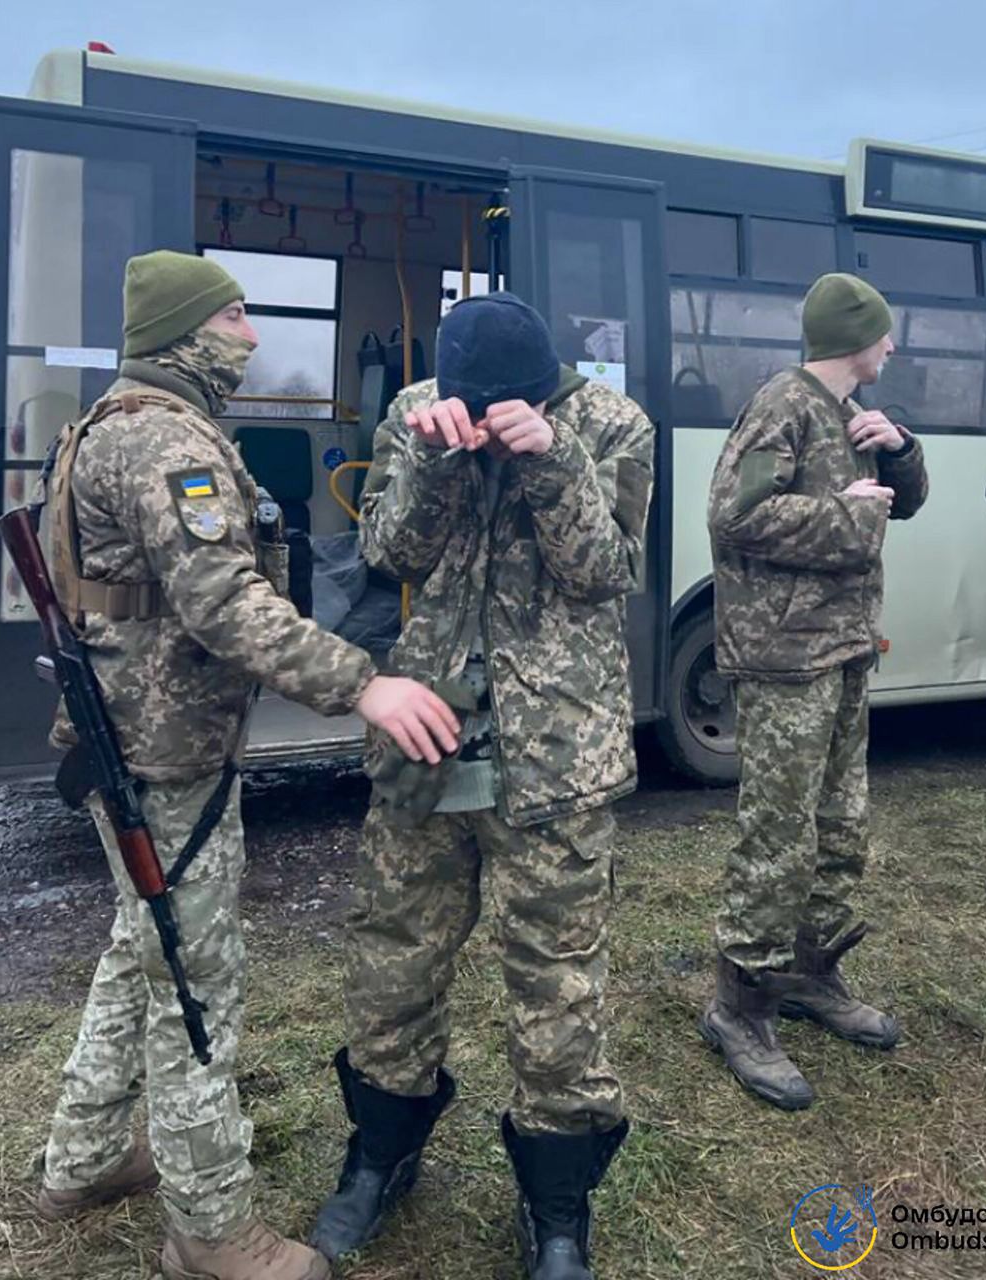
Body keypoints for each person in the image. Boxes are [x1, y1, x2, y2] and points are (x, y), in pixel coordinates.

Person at [35, 250, 460, 1280]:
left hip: (133, 738)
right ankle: (212, 1229)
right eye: (233, 316)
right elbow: (226, 601)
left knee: (144, 945)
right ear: (185, 331)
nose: (252, 335)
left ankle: (85, 1155)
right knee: (194, 983)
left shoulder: (109, 424)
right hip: (164, 748)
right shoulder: (163, 443)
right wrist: (365, 684)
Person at [310, 292, 654, 1280]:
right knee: (393, 955)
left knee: (555, 976)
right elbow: (389, 552)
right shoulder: (418, 408)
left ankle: (556, 1206)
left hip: (558, 751)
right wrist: (430, 458)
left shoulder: (611, 422)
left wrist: (548, 458)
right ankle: (380, 1151)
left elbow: (605, 570)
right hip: (427, 732)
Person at [701, 273, 928, 1112]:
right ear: (852, 337)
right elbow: (734, 517)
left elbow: (901, 504)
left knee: (841, 824)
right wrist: (848, 511)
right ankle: (739, 1006)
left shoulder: (851, 413)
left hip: (841, 650)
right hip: (783, 655)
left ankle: (810, 972)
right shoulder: (783, 405)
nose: (893, 347)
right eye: (885, 335)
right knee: (779, 834)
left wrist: (898, 450)